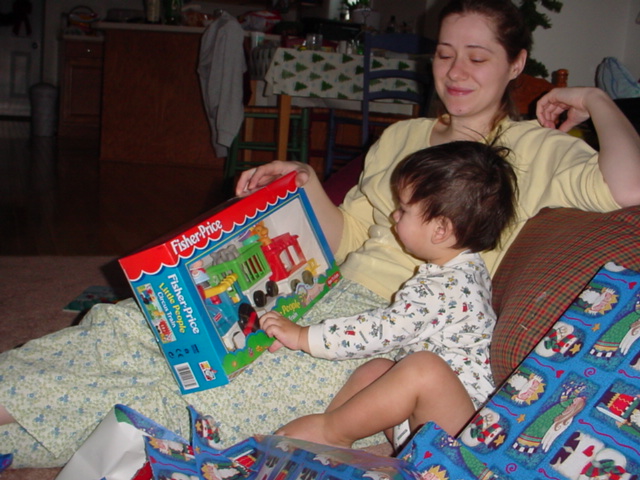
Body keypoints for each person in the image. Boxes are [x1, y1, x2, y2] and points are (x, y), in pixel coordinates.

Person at [0, 0, 639, 468]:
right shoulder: (405, 136)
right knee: (136, 324)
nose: (457, 71)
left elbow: (631, 186)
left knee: (207, 385)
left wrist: (597, 100)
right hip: (319, 291)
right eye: (445, 53)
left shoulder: (531, 151)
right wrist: (303, 185)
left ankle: (18, 420)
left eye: (478, 57)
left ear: (517, 62)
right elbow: (344, 236)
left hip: (384, 331)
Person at [260, 140, 518, 450]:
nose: (394, 216)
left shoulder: (441, 288)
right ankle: (331, 446)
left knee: (424, 369)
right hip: (427, 426)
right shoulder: (466, 269)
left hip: (461, 444)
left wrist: (303, 337)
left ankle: (329, 432)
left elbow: (379, 331)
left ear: (440, 230)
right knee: (379, 370)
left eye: (405, 209)